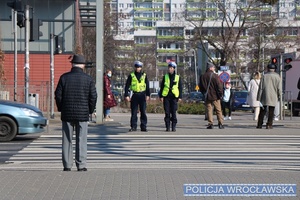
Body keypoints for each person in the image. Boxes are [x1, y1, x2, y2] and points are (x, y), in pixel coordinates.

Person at [55, 54, 97, 172]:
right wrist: (90, 110)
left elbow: (58, 95)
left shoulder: (64, 78)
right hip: (83, 114)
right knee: (81, 139)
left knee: (67, 139)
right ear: (82, 65)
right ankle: (81, 164)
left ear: (72, 64)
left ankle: (67, 165)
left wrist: (61, 108)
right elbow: (93, 96)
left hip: (67, 113)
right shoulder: (88, 79)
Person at [124, 61, 150, 132]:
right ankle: (133, 126)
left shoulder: (144, 75)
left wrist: (148, 95)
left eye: (139, 67)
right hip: (135, 95)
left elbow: (147, 86)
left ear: (141, 68)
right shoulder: (131, 75)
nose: (138, 68)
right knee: (134, 112)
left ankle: (143, 126)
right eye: (137, 67)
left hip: (142, 95)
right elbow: (127, 86)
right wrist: (126, 95)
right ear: (135, 67)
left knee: (143, 111)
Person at [159, 62, 183, 132]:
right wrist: (161, 96)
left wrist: (180, 97)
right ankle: (167, 126)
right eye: (169, 68)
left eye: (171, 68)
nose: (170, 69)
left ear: (174, 69)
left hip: (174, 97)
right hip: (166, 96)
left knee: (173, 112)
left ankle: (173, 126)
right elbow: (162, 87)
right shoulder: (165, 77)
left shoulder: (177, 77)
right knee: (167, 112)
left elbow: (180, 87)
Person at [200, 62, 224, 129]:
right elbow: (219, 86)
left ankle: (210, 123)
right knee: (218, 110)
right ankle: (220, 123)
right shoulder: (215, 76)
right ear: (210, 68)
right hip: (215, 96)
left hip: (207, 96)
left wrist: (204, 93)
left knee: (209, 110)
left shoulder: (203, 76)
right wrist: (220, 94)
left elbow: (200, 86)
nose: (214, 68)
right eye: (213, 67)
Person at [257, 64, 282, 129]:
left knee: (262, 111)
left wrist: (258, 98)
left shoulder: (264, 76)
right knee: (271, 110)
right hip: (274, 95)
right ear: (274, 69)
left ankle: (259, 124)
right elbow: (279, 88)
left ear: (268, 68)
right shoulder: (278, 77)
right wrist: (280, 96)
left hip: (264, 95)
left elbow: (261, 87)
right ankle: (269, 124)